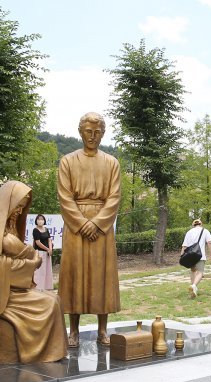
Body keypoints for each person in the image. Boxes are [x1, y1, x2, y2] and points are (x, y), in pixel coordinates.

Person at [0, 181, 67, 363]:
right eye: (17, 206)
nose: (18, 211)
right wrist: (30, 265)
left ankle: (47, 353)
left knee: (54, 299)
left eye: (22, 207)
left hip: (9, 288)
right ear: (7, 203)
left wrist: (28, 261)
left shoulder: (9, 227)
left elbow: (16, 255)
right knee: (48, 304)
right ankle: (37, 354)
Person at [57, 112, 121, 348]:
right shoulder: (67, 161)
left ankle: (102, 330)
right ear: (80, 132)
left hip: (102, 227)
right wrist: (83, 223)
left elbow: (114, 197)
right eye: (88, 131)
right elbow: (64, 197)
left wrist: (97, 223)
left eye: (97, 132)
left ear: (103, 133)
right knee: (74, 275)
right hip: (76, 227)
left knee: (101, 277)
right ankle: (73, 330)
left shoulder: (111, 162)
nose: (92, 136)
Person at [181, 219, 211, 298]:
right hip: (200, 255)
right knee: (200, 272)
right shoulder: (205, 231)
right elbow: (209, 242)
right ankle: (193, 286)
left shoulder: (189, 232)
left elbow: (184, 245)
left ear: (193, 225)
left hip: (190, 255)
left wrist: (182, 256)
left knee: (193, 271)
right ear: (201, 224)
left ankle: (193, 288)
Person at [33, 214, 54, 291]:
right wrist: (47, 249)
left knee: (47, 270)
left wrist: (50, 249)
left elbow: (49, 240)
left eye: (42, 219)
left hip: (47, 253)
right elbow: (38, 243)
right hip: (39, 253)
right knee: (39, 271)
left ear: (44, 221)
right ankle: (38, 288)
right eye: (39, 219)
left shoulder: (46, 229)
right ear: (36, 221)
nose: (40, 221)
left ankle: (46, 287)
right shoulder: (35, 230)